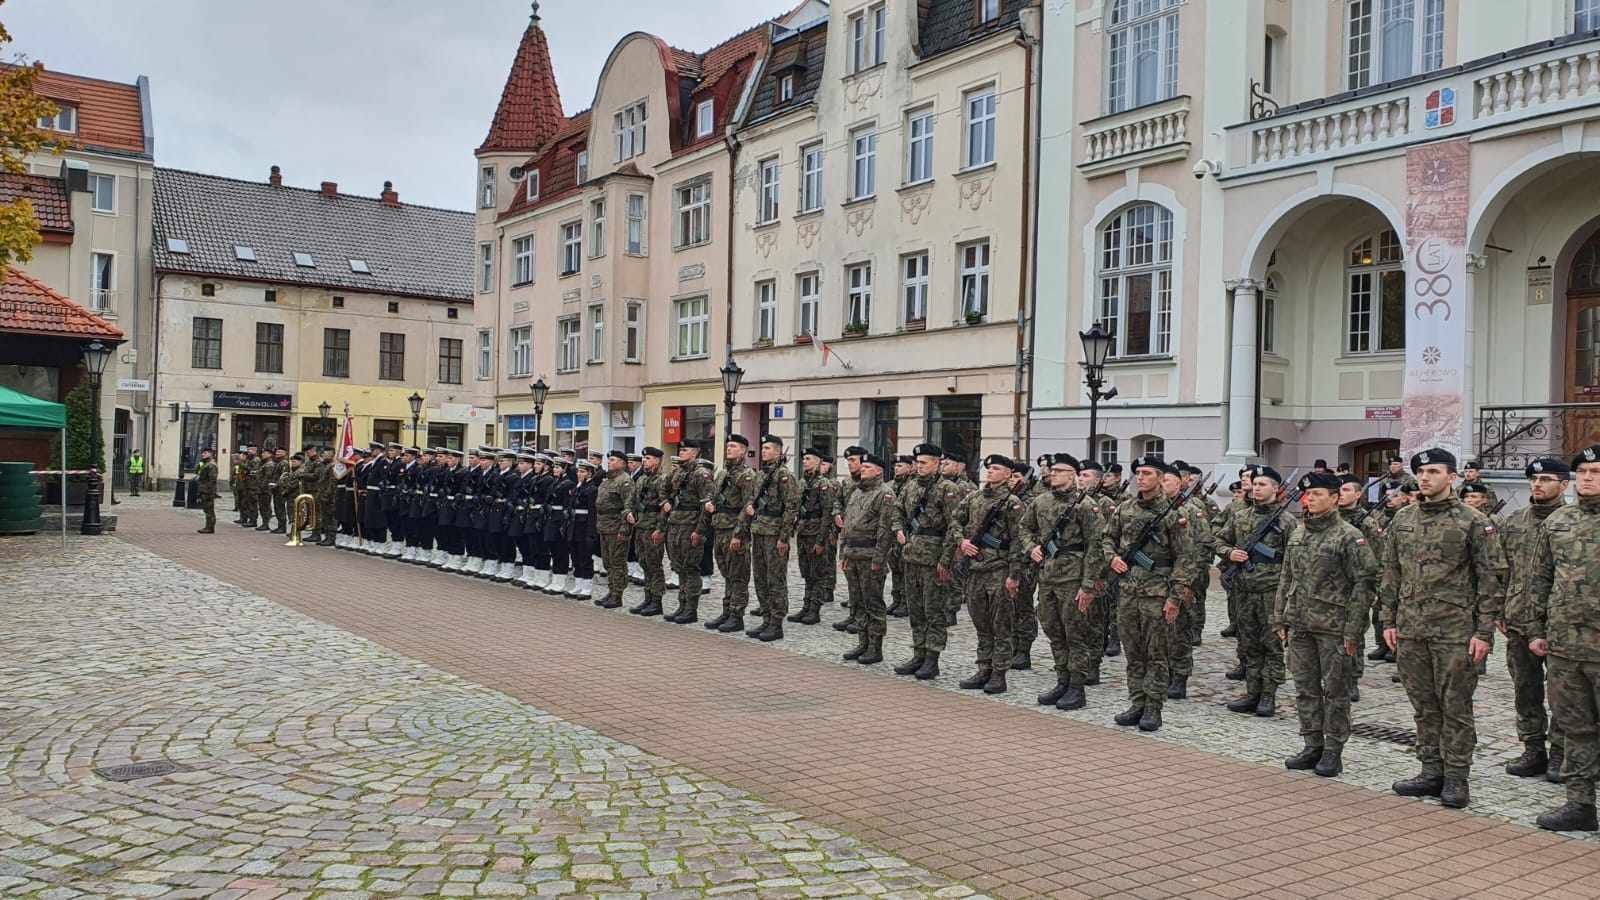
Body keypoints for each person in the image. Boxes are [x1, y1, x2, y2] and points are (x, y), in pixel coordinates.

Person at [1381, 448, 1507, 809]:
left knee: (1455, 707)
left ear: (1451, 477)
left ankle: (1456, 777)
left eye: (1434, 471)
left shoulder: (1473, 521)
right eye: (1420, 471)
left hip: (1454, 632)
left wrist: (1483, 632)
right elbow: (1391, 574)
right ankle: (1430, 770)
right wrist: (1388, 620)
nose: (1425, 477)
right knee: (1423, 705)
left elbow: (1490, 580)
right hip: (1411, 630)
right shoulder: (1403, 519)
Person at [1273, 473, 1379, 778]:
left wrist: (1354, 630)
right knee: (1305, 688)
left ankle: (1333, 750)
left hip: (1334, 626)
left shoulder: (1349, 535)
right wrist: (1280, 616)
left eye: (1317, 493)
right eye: (1307, 495)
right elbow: (1286, 578)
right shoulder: (1299, 533)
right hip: (1301, 624)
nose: (1310, 499)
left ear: (1334, 498)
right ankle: (1312, 744)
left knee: (1336, 691)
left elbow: (1364, 584)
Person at [1526, 444, 1600, 832]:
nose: (1588, 479)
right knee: (1576, 728)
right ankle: (1579, 804)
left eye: (1596, 472)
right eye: (1583, 472)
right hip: (1566, 648)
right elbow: (1540, 579)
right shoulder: (1558, 522)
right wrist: (1536, 628)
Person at [1102, 456, 1196, 732]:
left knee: (1156, 653)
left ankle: (1153, 708)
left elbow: (1185, 559)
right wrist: (1112, 558)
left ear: (1159, 477)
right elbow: (1107, 537)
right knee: (1133, 652)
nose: (1140, 478)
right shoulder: (1125, 509)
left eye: (1147, 473)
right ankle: (1137, 702)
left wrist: (1175, 598)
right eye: (1138, 473)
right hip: (1129, 590)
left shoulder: (1173, 514)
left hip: (1158, 592)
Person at [1499, 457, 1571, 782]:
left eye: (1546, 479)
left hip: (1561, 625)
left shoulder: (1573, 523)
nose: (1537, 484)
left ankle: (1561, 753)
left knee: (1563, 693)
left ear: (1565, 485)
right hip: (1518, 621)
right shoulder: (1513, 522)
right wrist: (1500, 609)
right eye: (1533, 479)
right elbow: (1500, 571)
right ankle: (1533, 749)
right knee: (1525, 690)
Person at [1020, 452, 1103, 710]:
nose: (1052, 474)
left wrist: (1088, 585)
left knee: (1074, 634)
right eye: (1052, 470)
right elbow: (1025, 528)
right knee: (1054, 631)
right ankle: (1062, 681)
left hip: (1073, 577)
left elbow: (1096, 547)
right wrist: (1030, 547)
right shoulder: (1041, 501)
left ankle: (1077, 688)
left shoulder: (1086, 506)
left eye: (1059, 470)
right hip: (1047, 576)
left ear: (1073, 475)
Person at [1216, 465, 1295, 718]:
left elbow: (1294, 560)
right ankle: (1252, 691)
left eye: (1263, 484)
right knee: (1248, 643)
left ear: (1275, 489)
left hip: (1272, 592)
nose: (1257, 488)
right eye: (1255, 484)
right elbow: (1217, 539)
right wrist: (1230, 553)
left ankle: (1268, 695)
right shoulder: (1240, 517)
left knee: (1271, 644)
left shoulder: (1287, 521)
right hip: (1244, 589)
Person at [951, 455, 1027, 695]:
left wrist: (1014, 575)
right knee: (981, 623)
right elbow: (955, 521)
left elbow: (1018, 541)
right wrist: (961, 541)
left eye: (997, 469)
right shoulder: (973, 498)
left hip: (999, 569)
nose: (991, 472)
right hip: (975, 570)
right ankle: (983, 668)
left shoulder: (1012, 503)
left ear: (1007, 474)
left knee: (1001, 625)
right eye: (990, 468)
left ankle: (998, 673)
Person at [891, 443, 963, 679]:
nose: (919, 467)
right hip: (911, 556)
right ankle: (919, 652)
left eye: (924, 463)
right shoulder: (910, 486)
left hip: (934, 559)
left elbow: (955, 527)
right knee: (916, 609)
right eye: (917, 463)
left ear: (936, 463)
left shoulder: (947, 489)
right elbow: (897, 511)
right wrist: (899, 529)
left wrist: (946, 561)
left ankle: (932, 658)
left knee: (934, 611)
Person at [840, 454, 899, 665]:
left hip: (870, 556)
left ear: (879, 471)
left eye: (867, 467)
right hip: (853, 554)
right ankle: (862, 642)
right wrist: (843, 553)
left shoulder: (885, 494)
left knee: (872, 602)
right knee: (857, 601)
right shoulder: (857, 491)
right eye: (862, 466)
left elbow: (885, 530)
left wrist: (879, 559)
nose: (862, 469)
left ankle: (875, 647)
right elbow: (847, 525)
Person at [748, 435, 800, 641]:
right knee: (760, 577)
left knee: (775, 579)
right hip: (759, 531)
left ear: (779, 452)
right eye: (763, 448)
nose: (764, 451)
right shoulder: (762, 474)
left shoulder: (784, 476)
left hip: (774, 533)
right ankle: (766, 617)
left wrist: (784, 538)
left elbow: (791, 508)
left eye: (768, 448)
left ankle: (776, 623)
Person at [790, 447, 840, 626]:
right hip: (803, 533)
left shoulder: (823, 484)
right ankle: (806, 606)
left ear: (819, 462)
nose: (805, 461)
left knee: (817, 573)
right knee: (807, 572)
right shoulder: (803, 482)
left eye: (809, 458)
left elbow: (827, 513)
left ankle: (814, 610)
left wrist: (821, 540)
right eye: (804, 459)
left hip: (816, 533)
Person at [665, 442, 712, 625]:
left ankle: (691, 609)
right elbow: (665, 491)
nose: (681, 452)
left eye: (685, 450)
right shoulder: (678, 472)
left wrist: (700, 530)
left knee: (691, 568)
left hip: (691, 525)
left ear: (694, 453)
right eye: (680, 449)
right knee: (679, 568)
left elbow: (706, 505)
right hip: (676, 524)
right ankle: (682, 605)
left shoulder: (701, 474)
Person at [626, 447, 670, 617]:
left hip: (653, 528)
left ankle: (656, 601)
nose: (645, 461)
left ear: (658, 461)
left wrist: (660, 529)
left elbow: (666, 508)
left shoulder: (663, 480)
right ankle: (648, 597)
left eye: (649, 458)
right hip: (641, 526)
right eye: (644, 458)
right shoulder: (641, 480)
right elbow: (631, 500)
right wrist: (628, 512)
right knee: (644, 563)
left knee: (654, 565)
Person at [595, 450, 635, 609]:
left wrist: (625, 530)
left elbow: (628, 507)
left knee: (617, 563)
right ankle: (611, 591)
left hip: (617, 527)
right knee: (607, 562)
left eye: (612, 460)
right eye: (609, 460)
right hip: (604, 526)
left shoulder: (625, 481)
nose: (609, 462)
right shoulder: (606, 481)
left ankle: (617, 595)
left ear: (622, 463)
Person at [572, 459, 599, 600]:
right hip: (575, 525)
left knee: (585, 557)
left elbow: (592, 513)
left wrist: (591, 533)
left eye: (582, 471)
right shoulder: (578, 487)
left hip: (585, 527)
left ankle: (587, 587)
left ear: (590, 473)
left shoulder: (592, 489)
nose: (579, 474)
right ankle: (578, 583)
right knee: (576, 556)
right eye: (578, 471)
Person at [195, 447, 218, 533]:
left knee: (209, 510)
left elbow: (212, 480)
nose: (202, 454)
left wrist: (207, 490)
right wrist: (201, 463)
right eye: (203, 453)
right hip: (204, 489)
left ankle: (210, 527)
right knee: (206, 509)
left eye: (205, 453)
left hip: (208, 491)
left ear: (210, 454)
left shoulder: (211, 465)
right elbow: (197, 472)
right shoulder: (205, 464)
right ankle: (208, 526)